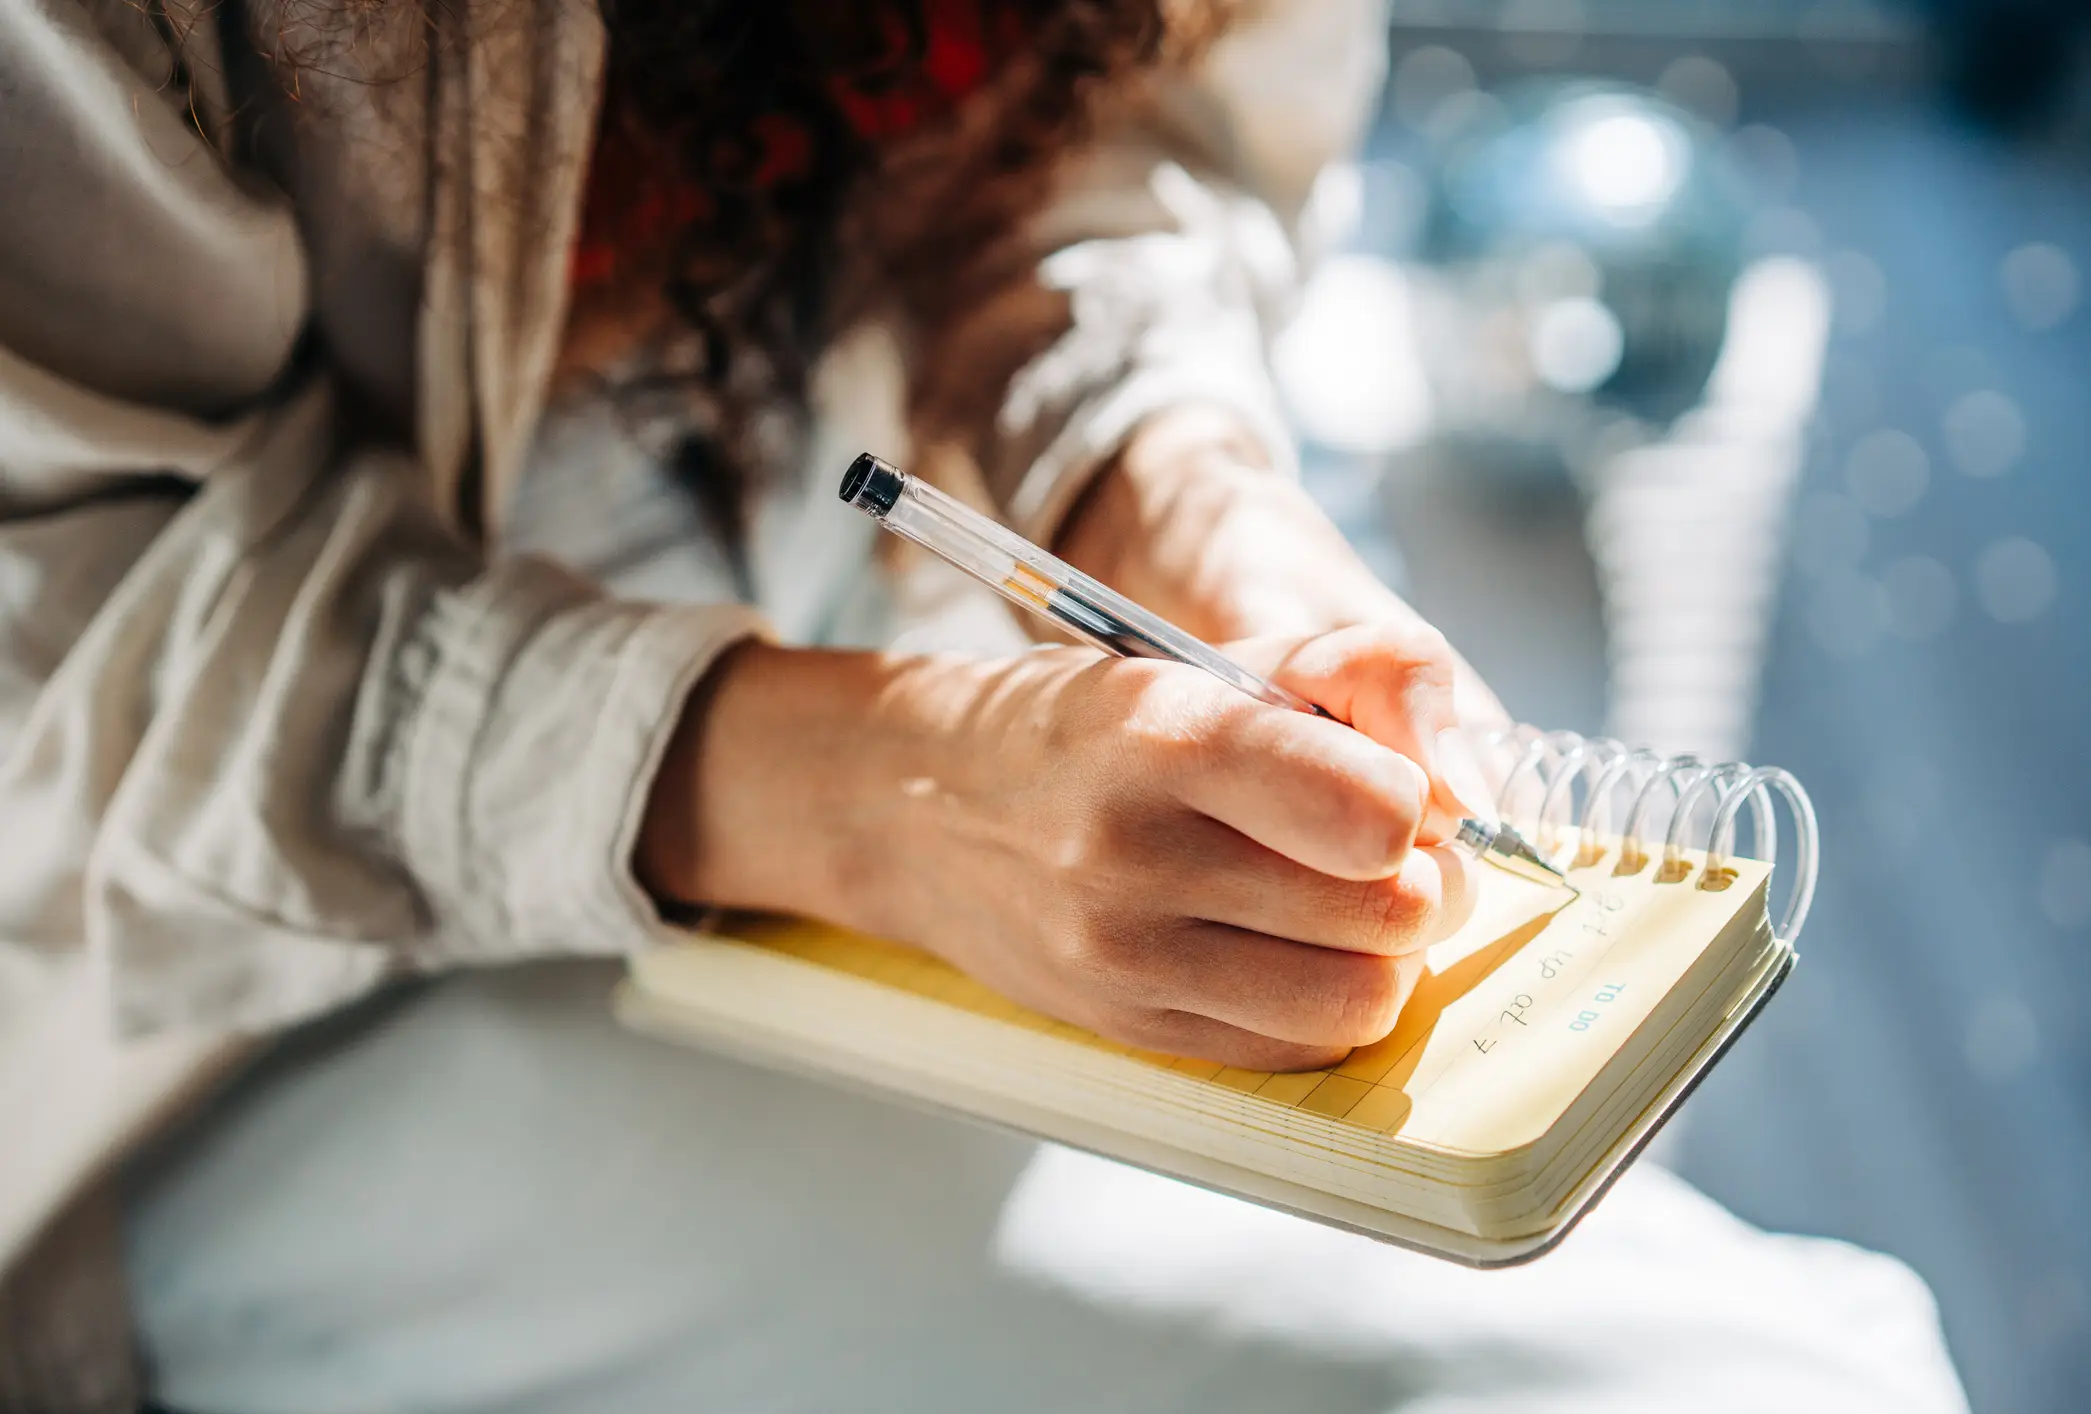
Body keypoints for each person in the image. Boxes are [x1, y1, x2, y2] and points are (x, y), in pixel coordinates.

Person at [0, 1, 1967, 1409]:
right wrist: (885, 796)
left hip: (888, 743)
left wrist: (1169, 485)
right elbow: (70, 634)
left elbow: (1109, 124)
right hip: (213, 999)